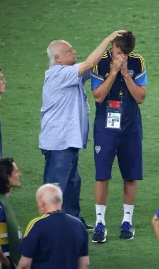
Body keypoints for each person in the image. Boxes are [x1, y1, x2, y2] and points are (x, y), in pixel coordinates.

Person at [39, 30, 126, 230]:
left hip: (68, 139)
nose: (73, 51)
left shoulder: (69, 73)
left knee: (72, 182)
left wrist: (116, 55)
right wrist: (108, 39)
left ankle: (73, 219)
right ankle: (50, 225)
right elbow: (89, 64)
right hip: (58, 141)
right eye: (69, 51)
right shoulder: (58, 74)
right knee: (56, 185)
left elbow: (92, 65)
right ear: (58, 58)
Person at [89, 30, 146, 241]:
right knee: (102, 174)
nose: (120, 56)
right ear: (112, 45)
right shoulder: (100, 63)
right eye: (117, 51)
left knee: (130, 175)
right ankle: (100, 223)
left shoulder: (137, 62)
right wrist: (113, 72)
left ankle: (126, 222)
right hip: (105, 126)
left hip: (130, 127)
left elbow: (141, 97)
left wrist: (125, 74)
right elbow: (98, 96)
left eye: (124, 53)